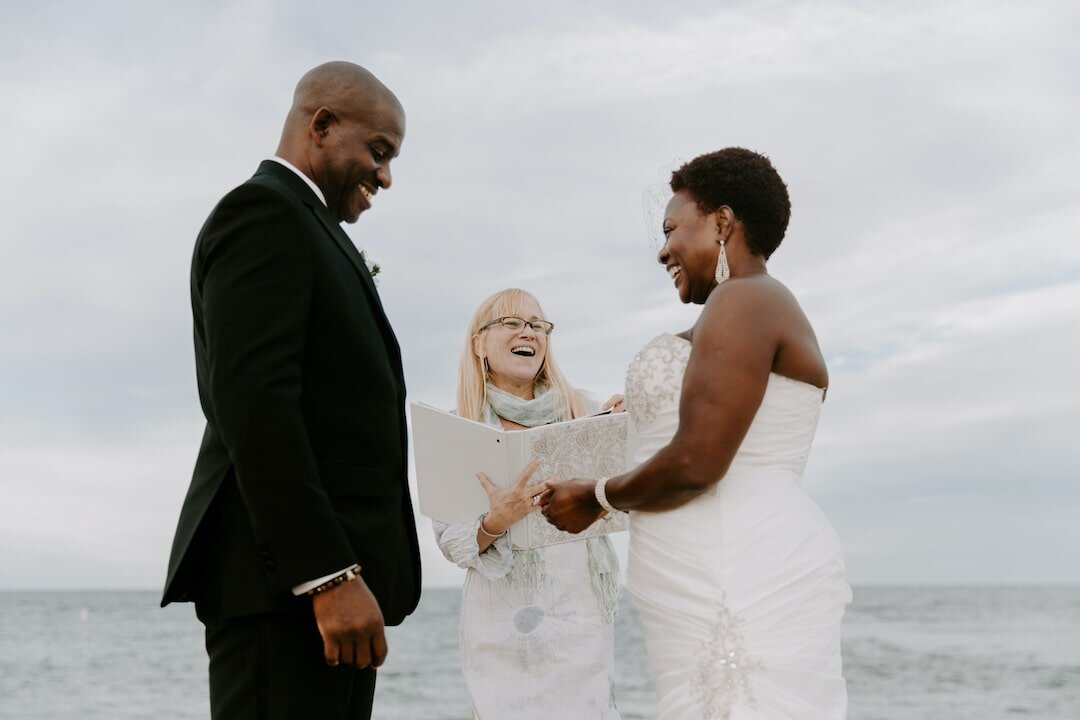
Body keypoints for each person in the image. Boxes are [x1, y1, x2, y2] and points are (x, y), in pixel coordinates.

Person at [542, 148, 851, 719]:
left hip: (735, 560)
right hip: (706, 562)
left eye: (670, 230)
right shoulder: (744, 309)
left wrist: (596, 496)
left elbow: (698, 462)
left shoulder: (747, 298)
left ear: (722, 222)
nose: (663, 250)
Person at [161, 61, 421, 720]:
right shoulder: (264, 215)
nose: (386, 175)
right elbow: (254, 405)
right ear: (323, 125)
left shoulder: (308, 225)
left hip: (315, 598)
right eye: (379, 151)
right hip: (285, 595)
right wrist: (328, 574)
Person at [432, 288, 625, 719]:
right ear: (479, 343)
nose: (529, 333)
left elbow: (626, 501)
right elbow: (450, 541)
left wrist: (628, 433)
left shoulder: (585, 409)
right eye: (512, 323)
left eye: (538, 325)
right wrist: (494, 522)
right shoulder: (458, 429)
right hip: (499, 621)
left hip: (578, 611)